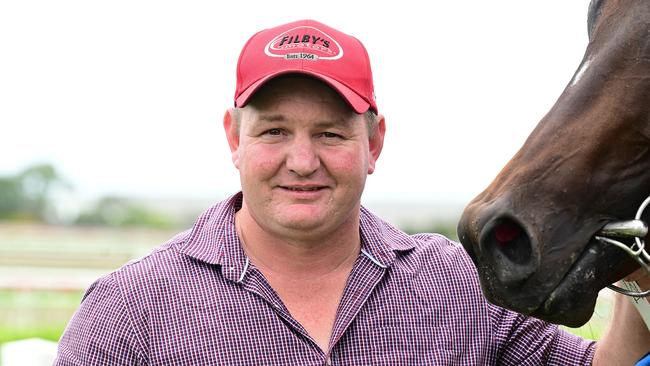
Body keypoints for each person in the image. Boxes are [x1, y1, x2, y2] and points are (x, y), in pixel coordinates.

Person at [55, 19, 649, 365]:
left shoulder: (457, 286)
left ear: (375, 143)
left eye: (330, 134)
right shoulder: (126, 312)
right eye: (275, 132)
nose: (302, 161)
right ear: (234, 138)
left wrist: (637, 266)